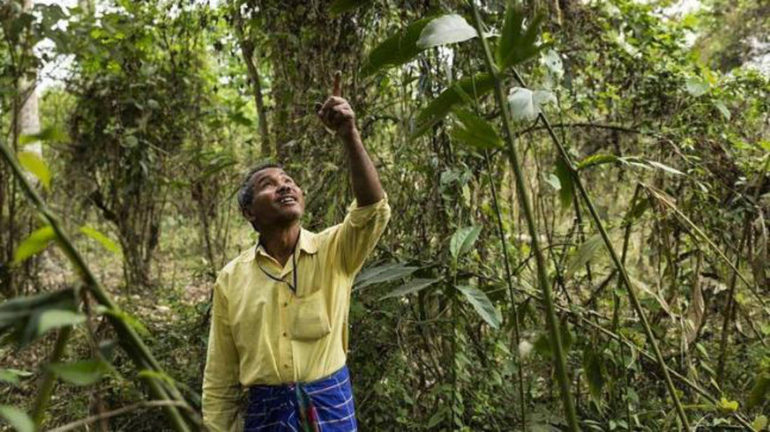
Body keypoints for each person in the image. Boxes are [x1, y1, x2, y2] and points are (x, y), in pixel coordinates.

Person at [202, 72, 390, 432]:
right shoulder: (231, 278)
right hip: (267, 416)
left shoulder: (334, 250)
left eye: (288, 181)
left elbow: (372, 209)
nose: (284, 186)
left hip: (330, 406)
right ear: (249, 212)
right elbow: (221, 374)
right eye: (268, 185)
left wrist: (349, 134)